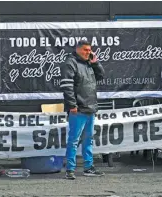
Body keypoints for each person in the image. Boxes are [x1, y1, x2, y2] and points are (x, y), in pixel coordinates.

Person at [60, 40, 105, 180]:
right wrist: (72, 105)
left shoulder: (89, 63)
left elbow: (101, 76)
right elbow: (66, 86)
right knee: (73, 140)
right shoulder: (70, 63)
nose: (89, 52)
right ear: (78, 49)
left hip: (90, 108)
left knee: (88, 140)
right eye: (86, 50)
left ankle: (88, 168)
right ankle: (70, 170)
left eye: (90, 50)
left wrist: (96, 62)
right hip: (78, 109)